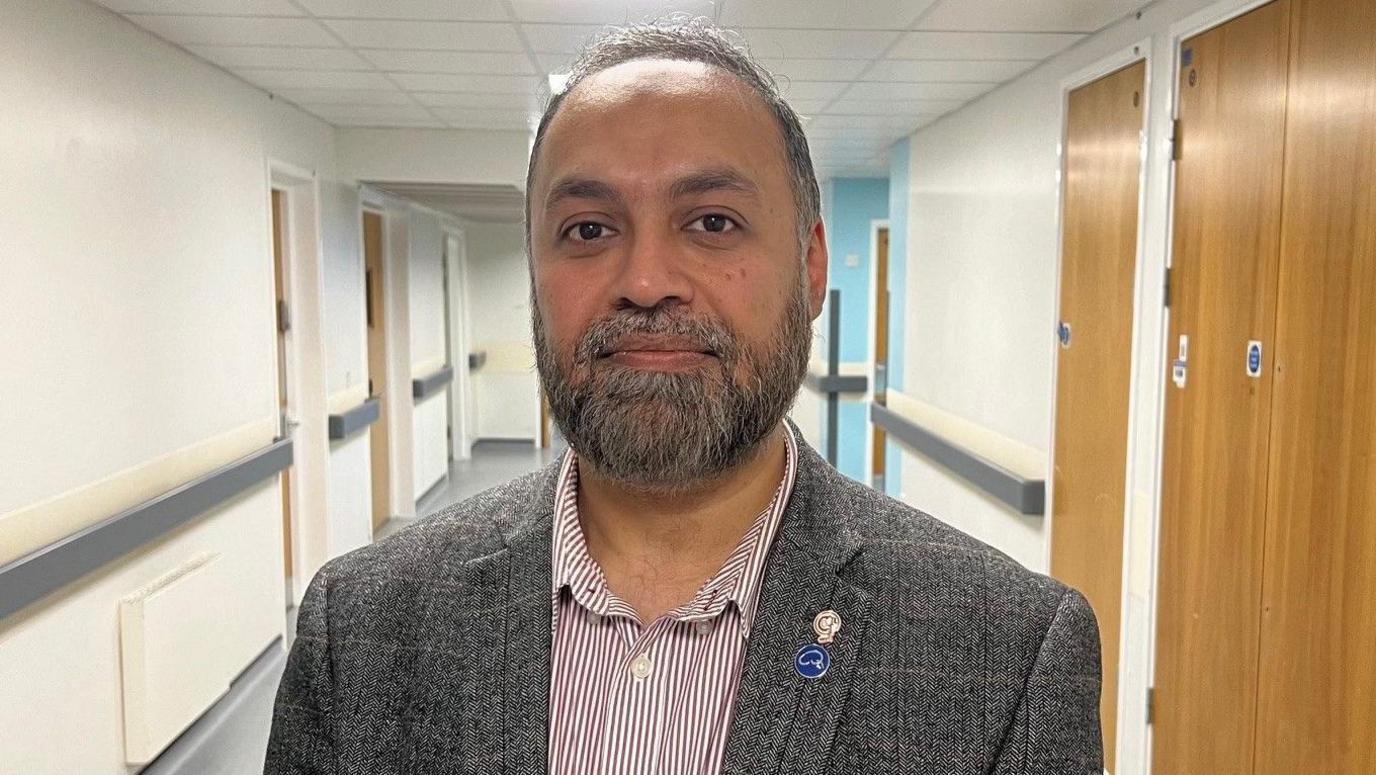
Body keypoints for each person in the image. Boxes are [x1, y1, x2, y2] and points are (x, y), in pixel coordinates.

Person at [266, 18, 1102, 775]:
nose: (645, 280)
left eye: (712, 222)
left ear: (811, 268)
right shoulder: (364, 630)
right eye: (589, 230)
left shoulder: (1006, 657)